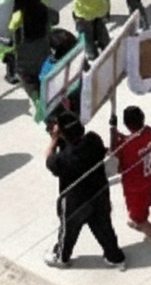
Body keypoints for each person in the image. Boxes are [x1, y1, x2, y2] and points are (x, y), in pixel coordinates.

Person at [44, 111, 126, 270]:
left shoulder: (64, 158)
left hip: (75, 201)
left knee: (68, 231)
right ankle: (115, 257)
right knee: (104, 227)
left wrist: (54, 140)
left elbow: (49, 160)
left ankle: (61, 257)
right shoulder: (93, 139)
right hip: (99, 193)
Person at [110, 106, 151, 260]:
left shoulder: (125, 146)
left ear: (126, 124)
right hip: (149, 180)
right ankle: (136, 220)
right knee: (141, 210)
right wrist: (117, 135)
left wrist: (113, 135)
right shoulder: (149, 132)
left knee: (140, 218)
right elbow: (132, 141)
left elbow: (115, 162)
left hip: (134, 187)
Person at [7, 0, 54, 100]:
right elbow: (55, 19)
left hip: (26, 61)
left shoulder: (18, 16)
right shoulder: (43, 8)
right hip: (43, 53)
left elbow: (9, 33)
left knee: (34, 88)